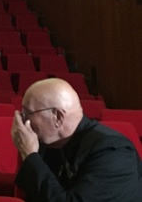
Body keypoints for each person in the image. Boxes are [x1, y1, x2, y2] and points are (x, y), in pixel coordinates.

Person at [11, 78, 142, 201]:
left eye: (27, 114)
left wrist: (30, 156)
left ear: (58, 117)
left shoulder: (112, 152)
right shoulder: (51, 144)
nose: (23, 122)